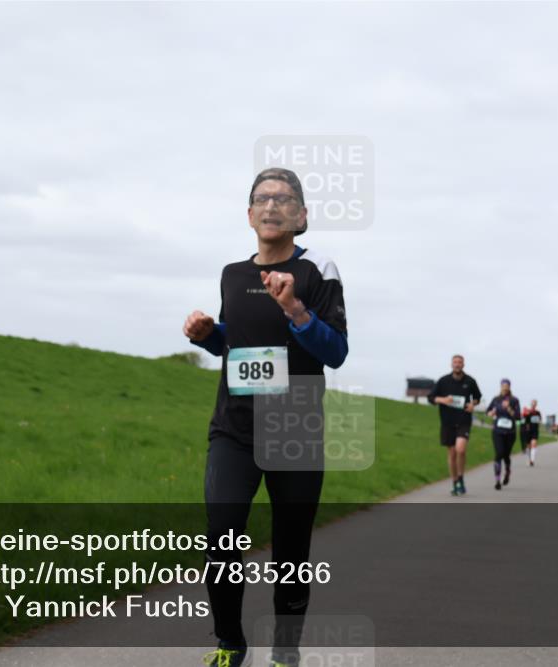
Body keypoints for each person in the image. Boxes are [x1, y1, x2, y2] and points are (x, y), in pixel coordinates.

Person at [184, 167, 349, 667]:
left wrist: (297, 310)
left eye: (285, 199)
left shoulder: (318, 271)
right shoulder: (233, 273)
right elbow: (235, 344)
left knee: (291, 551)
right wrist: (208, 334)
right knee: (223, 534)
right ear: (249, 213)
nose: (272, 205)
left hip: (295, 430)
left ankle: (285, 652)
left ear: (302, 216)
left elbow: (336, 352)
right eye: (262, 198)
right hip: (233, 429)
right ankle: (230, 645)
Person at [427, 355, 482, 496]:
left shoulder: (470, 381)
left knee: (461, 449)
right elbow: (431, 397)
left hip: (464, 420)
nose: (457, 364)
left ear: (463, 364)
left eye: (460, 362)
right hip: (447, 422)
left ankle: (461, 477)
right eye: (455, 362)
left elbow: (477, 398)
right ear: (451, 364)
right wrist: (443, 400)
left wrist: (472, 404)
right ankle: (455, 481)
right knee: (451, 454)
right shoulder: (443, 381)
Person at [486, 379, 521, 490]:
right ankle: (497, 480)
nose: (505, 388)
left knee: (506, 455)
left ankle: (507, 471)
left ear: (509, 387)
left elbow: (518, 417)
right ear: (500, 386)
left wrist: (509, 408)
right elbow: (488, 411)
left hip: (510, 432)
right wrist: (491, 413)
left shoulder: (514, 400)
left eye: (507, 386)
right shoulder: (496, 399)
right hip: (497, 431)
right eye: (503, 386)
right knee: (499, 453)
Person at [520, 399, 542, 466]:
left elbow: (540, 420)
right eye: (532, 403)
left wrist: (539, 422)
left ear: (536, 405)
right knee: (528, 447)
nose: (533, 405)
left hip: (535, 430)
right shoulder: (526, 411)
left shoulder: (538, 412)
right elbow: (522, 420)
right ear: (530, 404)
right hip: (527, 431)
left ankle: (532, 461)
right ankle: (529, 459)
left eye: (534, 403)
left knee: (533, 444)